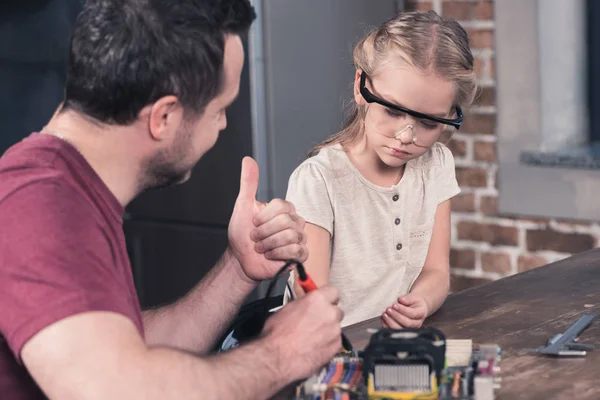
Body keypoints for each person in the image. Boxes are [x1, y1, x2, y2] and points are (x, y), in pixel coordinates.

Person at [0, 1, 344, 399]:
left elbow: (127, 355)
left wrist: (238, 268)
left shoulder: (67, 187)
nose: (224, 124)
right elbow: (121, 391)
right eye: (219, 110)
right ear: (163, 118)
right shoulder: (40, 207)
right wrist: (280, 353)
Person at [285, 10, 477, 328]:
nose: (406, 136)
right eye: (392, 110)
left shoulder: (436, 166)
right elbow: (311, 304)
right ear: (361, 85)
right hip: (334, 354)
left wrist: (423, 302)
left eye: (429, 122)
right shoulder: (319, 180)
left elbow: (436, 273)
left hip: (402, 348)